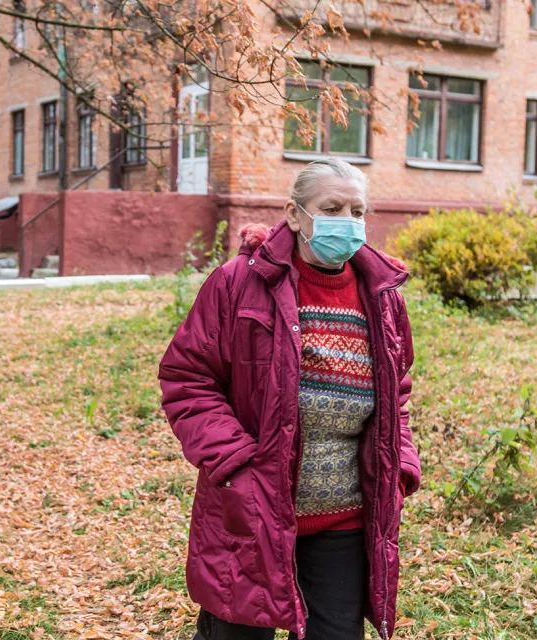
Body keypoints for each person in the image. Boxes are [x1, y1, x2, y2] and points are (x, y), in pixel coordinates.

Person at [157, 158, 422, 640]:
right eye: (332, 207)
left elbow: (397, 392)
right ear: (295, 214)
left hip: (345, 517)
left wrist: (400, 463)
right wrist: (236, 464)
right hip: (252, 510)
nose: (347, 220)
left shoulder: (384, 297)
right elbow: (188, 378)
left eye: (357, 210)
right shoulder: (240, 283)